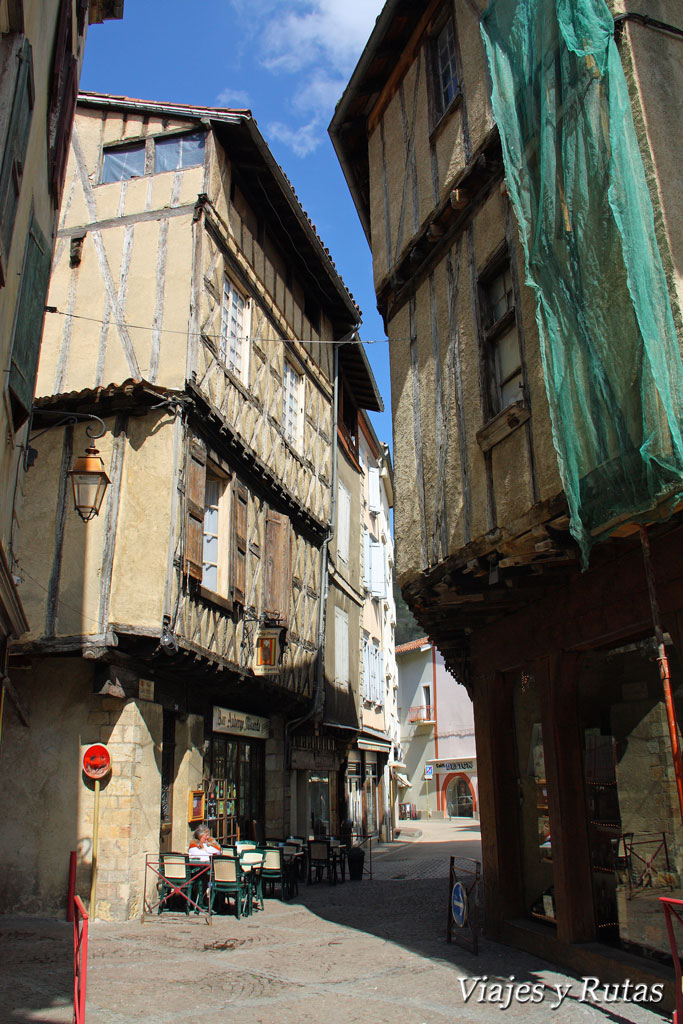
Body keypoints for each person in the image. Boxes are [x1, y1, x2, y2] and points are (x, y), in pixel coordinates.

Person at [187, 825, 220, 910]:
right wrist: (206, 852)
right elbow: (199, 854)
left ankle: (212, 901)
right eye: (205, 836)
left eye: (208, 835)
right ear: (200, 836)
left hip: (209, 869)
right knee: (204, 877)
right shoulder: (194, 844)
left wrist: (207, 849)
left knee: (208, 876)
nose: (207, 837)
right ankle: (202, 901)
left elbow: (218, 852)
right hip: (196, 870)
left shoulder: (210, 843)